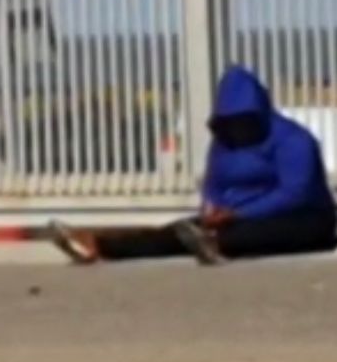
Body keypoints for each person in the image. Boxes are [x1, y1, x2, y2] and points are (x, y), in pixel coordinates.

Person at [49, 65, 337, 265]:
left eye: (244, 121)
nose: (238, 130)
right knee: (178, 232)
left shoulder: (294, 141)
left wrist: (238, 212)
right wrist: (211, 208)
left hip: (303, 218)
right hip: (235, 217)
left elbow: (295, 194)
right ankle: (99, 245)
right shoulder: (223, 143)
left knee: (255, 235)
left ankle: (218, 244)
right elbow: (214, 183)